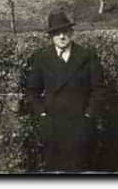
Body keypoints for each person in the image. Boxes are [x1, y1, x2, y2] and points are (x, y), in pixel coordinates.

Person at [25, 11, 106, 172]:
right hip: (53, 126)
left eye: (65, 32)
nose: (62, 37)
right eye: (56, 33)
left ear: (71, 33)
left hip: (80, 125)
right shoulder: (42, 57)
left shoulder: (87, 56)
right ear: (51, 37)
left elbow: (99, 90)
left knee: (80, 171)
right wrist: (42, 115)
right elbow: (32, 91)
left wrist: (89, 115)